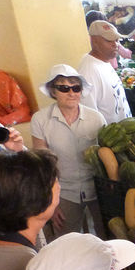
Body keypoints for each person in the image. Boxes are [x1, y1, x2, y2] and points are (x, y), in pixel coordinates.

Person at [31, 64, 107, 239]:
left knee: (106, 237)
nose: (71, 93)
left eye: (76, 87)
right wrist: (51, 201)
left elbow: (107, 155)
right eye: (64, 88)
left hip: (97, 189)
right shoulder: (41, 120)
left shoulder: (96, 118)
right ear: (53, 91)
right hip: (64, 192)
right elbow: (42, 164)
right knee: (67, 240)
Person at [79, 20, 132, 124]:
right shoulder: (88, 71)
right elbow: (88, 115)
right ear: (94, 41)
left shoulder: (104, 61)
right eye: (109, 40)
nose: (115, 44)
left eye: (117, 40)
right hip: (110, 137)